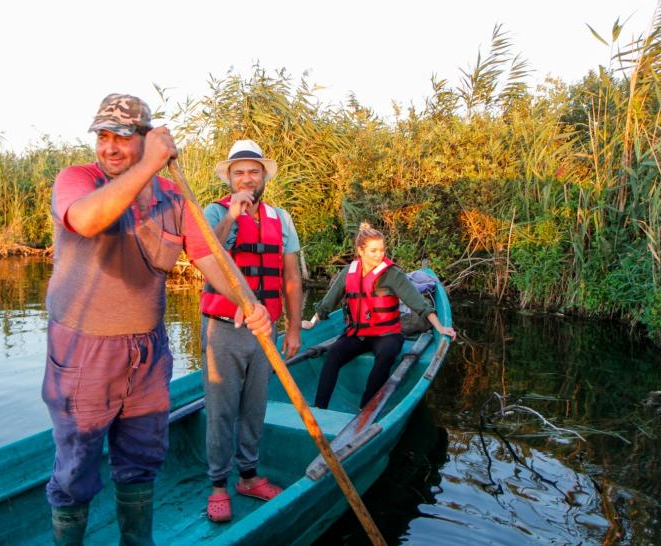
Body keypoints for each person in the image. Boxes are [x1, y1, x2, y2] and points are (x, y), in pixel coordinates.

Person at [41, 94, 272, 545]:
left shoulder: (172, 197)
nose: (108, 147)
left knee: (142, 459)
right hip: (84, 353)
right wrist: (147, 164)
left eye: (122, 138)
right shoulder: (77, 181)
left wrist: (249, 303)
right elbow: (87, 221)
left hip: (147, 354)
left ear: (145, 140)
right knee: (75, 469)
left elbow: (209, 257)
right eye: (102, 137)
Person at [199, 140, 303, 523]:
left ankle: (248, 476)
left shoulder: (282, 219)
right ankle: (218, 486)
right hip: (223, 328)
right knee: (221, 410)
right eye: (239, 172)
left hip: (266, 330)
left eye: (253, 171)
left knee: (254, 408)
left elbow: (291, 276)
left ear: (263, 177)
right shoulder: (213, 213)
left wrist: (293, 329)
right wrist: (232, 214)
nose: (246, 178)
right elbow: (211, 254)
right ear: (229, 178)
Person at [303, 223, 455, 410]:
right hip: (358, 334)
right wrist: (312, 322)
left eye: (381, 250)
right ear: (360, 251)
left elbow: (419, 304)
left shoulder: (392, 274)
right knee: (333, 354)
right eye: (373, 251)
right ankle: (320, 408)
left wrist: (440, 327)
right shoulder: (348, 272)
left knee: (386, 355)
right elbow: (327, 303)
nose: (379, 255)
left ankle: (366, 408)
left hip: (387, 334)